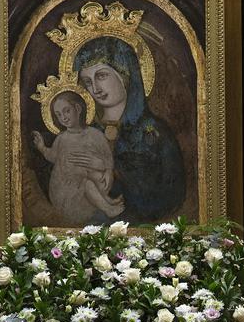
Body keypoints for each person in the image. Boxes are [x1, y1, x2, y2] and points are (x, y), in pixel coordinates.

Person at [74, 37, 186, 224]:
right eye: (87, 81)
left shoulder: (155, 132)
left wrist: (116, 172)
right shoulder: (86, 132)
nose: (95, 88)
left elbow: (172, 193)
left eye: (101, 76)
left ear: (125, 75)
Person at [32, 91, 125, 225]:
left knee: (93, 175)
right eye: (58, 115)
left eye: (66, 111)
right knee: (86, 182)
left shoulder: (95, 135)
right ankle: (107, 208)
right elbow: (53, 156)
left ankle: (106, 199)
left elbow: (107, 157)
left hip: (87, 184)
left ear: (78, 109)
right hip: (66, 191)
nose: (63, 117)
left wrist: (107, 170)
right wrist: (42, 148)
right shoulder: (62, 138)